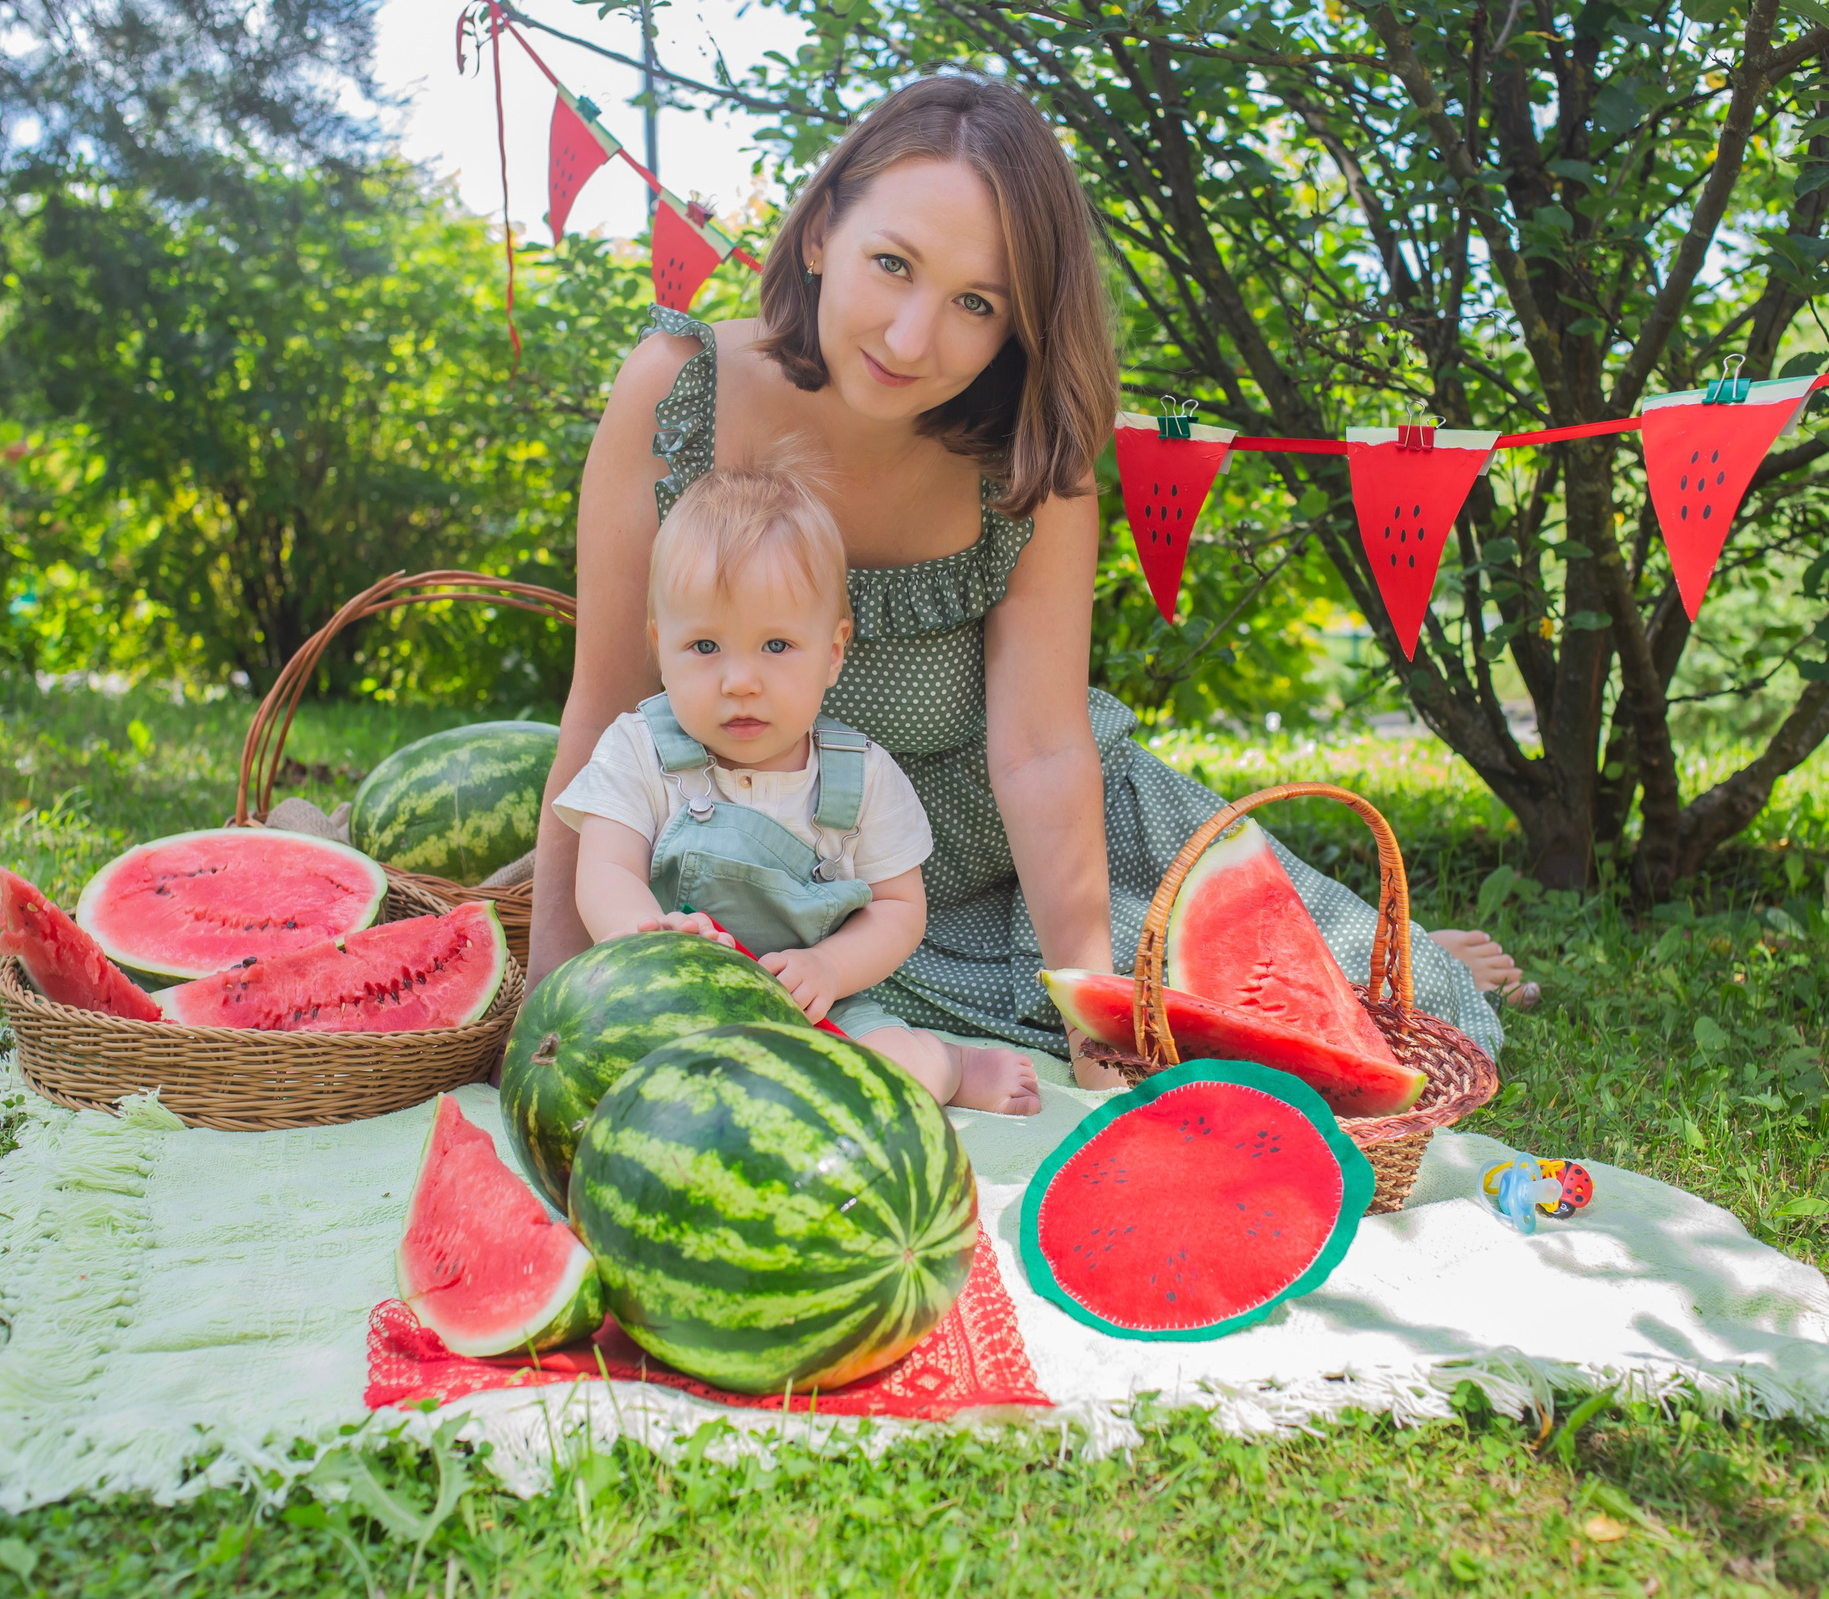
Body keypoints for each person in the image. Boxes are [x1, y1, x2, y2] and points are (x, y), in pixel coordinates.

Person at [536, 73, 1521, 1090]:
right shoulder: (675, 386)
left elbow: (1044, 755)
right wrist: (550, 1008)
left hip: (1024, 851)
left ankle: (1377, 947)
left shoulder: (1028, 455)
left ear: (1016, 326)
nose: (911, 338)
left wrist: (1096, 1011)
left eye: (975, 303)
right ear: (821, 232)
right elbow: (603, 702)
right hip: (826, 887)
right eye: (892, 264)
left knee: (1424, 1012)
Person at [555, 462, 1044, 1115]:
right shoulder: (638, 750)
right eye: (704, 645)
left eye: (777, 645)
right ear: (659, 647)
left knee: (893, 1078)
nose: (740, 681)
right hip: (669, 1006)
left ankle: (948, 1064)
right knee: (610, 1100)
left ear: (834, 652)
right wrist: (649, 935)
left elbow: (899, 909)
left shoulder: (858, 774)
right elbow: (604, 873)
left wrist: (832, 968)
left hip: (819, 1007)